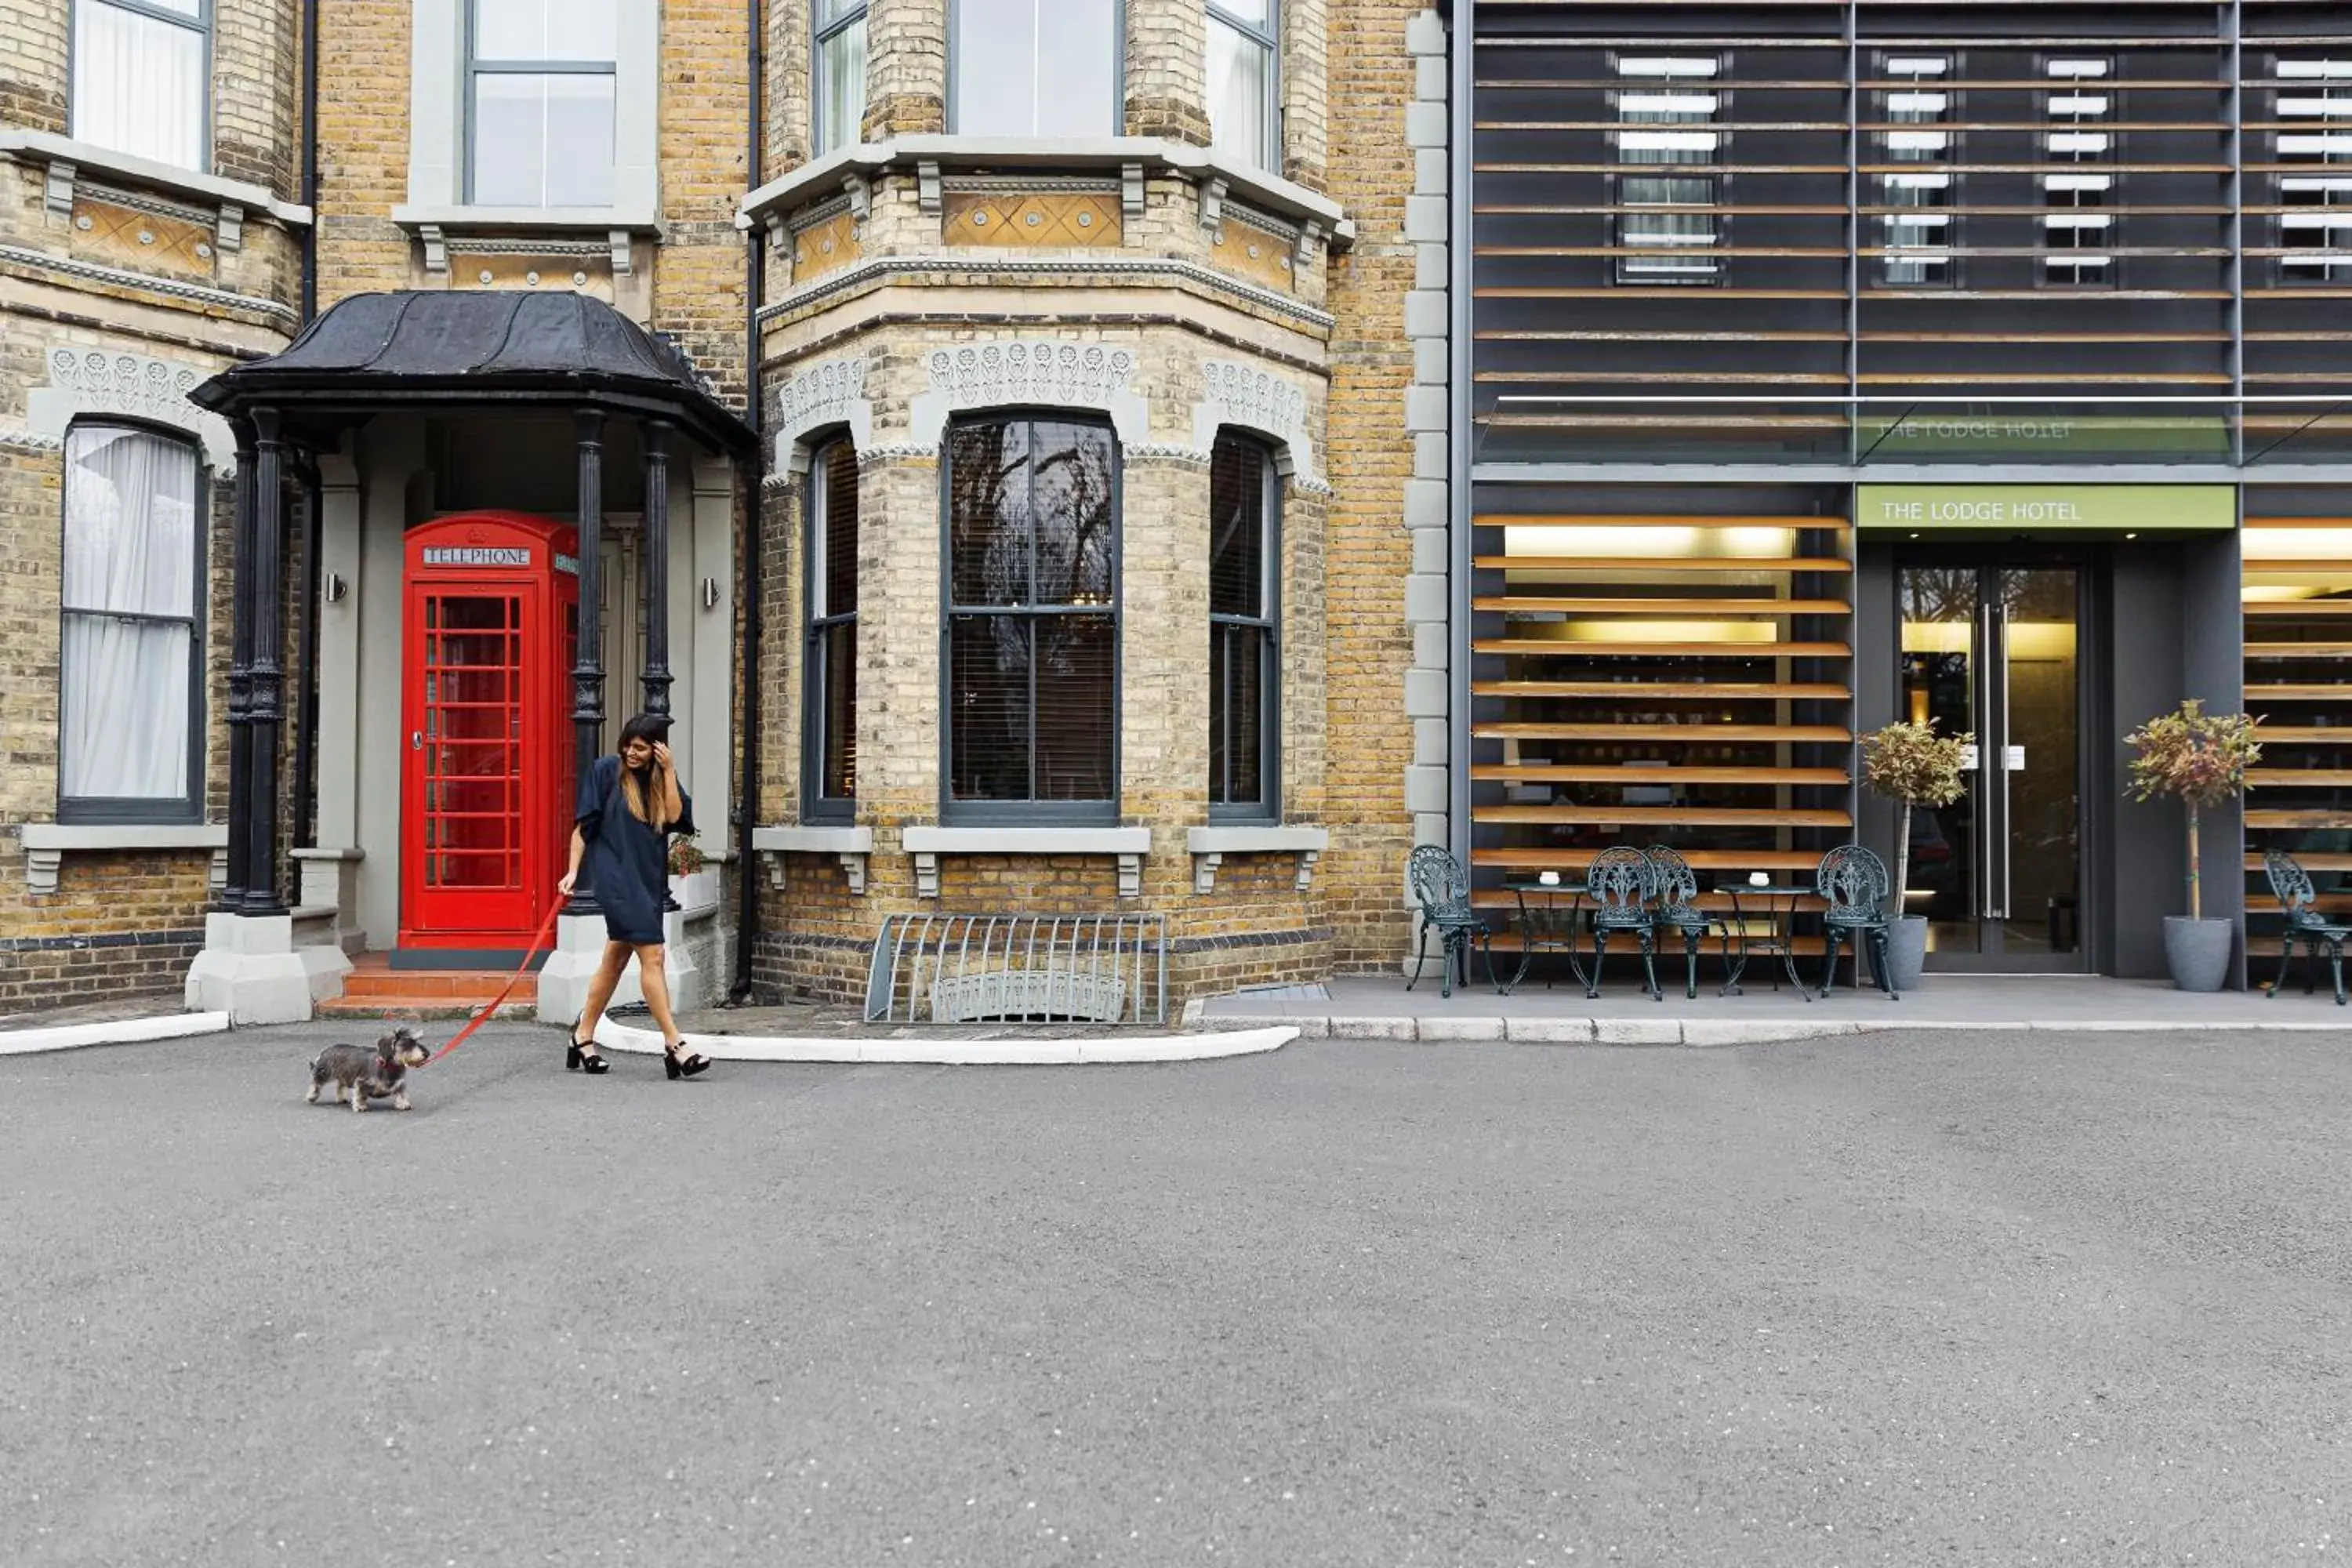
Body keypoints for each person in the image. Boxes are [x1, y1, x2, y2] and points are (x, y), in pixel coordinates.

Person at [557, 713, 712, 1080]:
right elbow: (583, 829)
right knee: (653, 955)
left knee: (614, 959)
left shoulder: (661, 781)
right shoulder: (606, 771)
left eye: (641, 747)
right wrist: (573, 871)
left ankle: (582, 1036)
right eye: (628, 745)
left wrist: (669, 770)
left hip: (647, 879)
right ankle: (675, 1045)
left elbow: (676, 817)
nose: (632, 752)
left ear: (657, 749)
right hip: (615, 878)